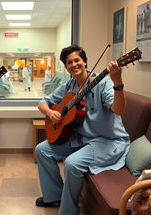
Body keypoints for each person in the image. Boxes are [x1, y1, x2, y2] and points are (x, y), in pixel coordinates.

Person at [35, 45, 130, 215]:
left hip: (106, 141)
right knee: (42, 150)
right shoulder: (69, 86)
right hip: (81, 139)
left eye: (77, 60)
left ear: (85, 62)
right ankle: (53, 195)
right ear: (66, 67)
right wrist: (50, 112)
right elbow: (43, 101)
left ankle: (68, 211)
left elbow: (119, 110)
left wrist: (118, 82)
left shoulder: (103, 83)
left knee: (72, 163)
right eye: (69, 62)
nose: (74, 64)